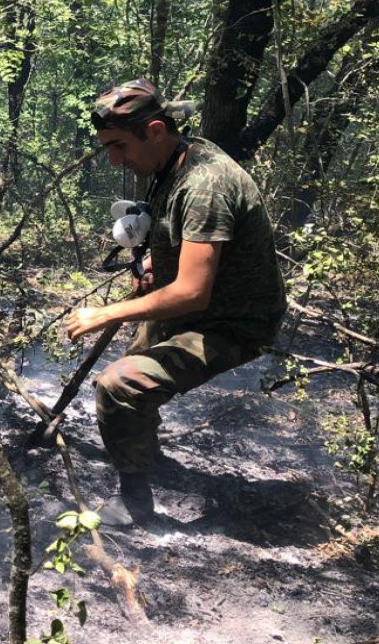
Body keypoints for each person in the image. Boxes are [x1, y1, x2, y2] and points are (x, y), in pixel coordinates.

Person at [64, 78, 287, 526]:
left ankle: (134, 504)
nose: (114, 159)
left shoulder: (206, 184)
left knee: (120, 384)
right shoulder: (173, 161)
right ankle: (148, 455)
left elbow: (190, 291)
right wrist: (152, 265)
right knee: (131, 374)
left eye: (118, 145)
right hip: (197, 309)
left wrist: (104, 313)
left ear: (156, 131)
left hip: (230, 322)